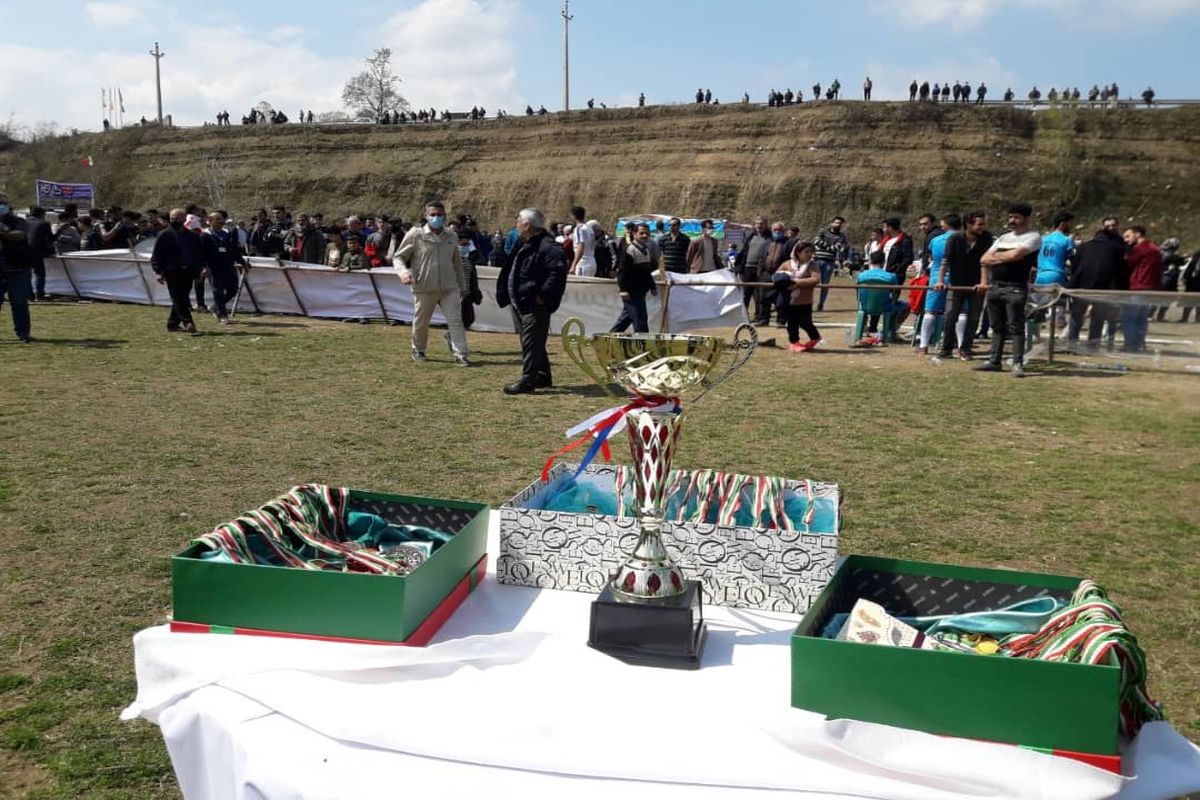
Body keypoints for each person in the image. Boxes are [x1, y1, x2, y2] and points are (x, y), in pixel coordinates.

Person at [496, 207, 567, 394]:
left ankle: (528, 380)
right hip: (520, 301)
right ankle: (542, 375)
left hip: (534, 303)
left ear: (527, 225)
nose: (516, 224)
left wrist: (542, 296)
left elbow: (557, 274)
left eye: (518, 220)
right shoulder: (524, 242)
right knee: (533, 340)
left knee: (531, 342)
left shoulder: (548, 246)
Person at [394, 201, 470, 366]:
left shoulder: (451, 236)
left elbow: (457, 264)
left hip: (449, 287)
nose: (436, 218)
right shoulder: (416, 234)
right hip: (424, 287)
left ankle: (461, 353)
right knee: (421, 321)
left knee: (456, 320)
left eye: (439, 215)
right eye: (433, 214)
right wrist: (403, 273)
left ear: (445, 216)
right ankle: (418, 349)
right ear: (426, 216)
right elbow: (399, 257)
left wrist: (463, 287)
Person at [976, 203, 1041, 377]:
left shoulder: (1033, 237)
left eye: (1016, 217)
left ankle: (1017, 363)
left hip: (1015, 288)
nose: (1012, 220)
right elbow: (984, 259)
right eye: (1010, 217)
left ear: (1026, 219)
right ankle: (994, 360)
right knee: (996, 326)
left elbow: (1016, 255)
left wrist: (998, 257)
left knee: (1016, 327)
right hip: (995, 286)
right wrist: (1006, 258)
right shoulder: (1003, 238)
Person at [934, 211, 993, 361]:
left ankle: (965, 349)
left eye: (983, 224)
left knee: (973, 318)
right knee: (950, 316)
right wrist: (940, 281)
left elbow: (985, 262)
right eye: (979, 224)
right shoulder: (955, 238)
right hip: (956, 284)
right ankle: (946, 349)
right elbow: (946, 261)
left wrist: (983, 282)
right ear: (968, 224)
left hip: (977, 285)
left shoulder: (986, 238)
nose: (982, 227)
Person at [1067, 227, 1124, 349]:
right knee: (1098, 317)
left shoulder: (1082, 247)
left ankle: (1072, 343)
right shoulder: (1115, 248)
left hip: (1081, 287)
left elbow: (1074, 268)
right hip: (1103, 288)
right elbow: (1119, 271)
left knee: (1077, 316)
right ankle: (1093, 344)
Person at [150, 208, 203, 334]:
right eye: (172, 219)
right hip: (172, 271)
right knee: (178, 297)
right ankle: (188, 322)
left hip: (188, 271)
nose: (174, 221)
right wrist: (158, 272)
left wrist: (198, 270)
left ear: (184, 219)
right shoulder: (164, 235)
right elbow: (157, 255)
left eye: (177, 219)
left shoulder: (193, 236)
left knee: (181, 297)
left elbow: (198, 255)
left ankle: (172, 323)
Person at [773, 241, 822, 352]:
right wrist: (784, 280)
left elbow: (815, 279)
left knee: (806, 322)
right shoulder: (787, 264)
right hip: (789, 299)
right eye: (806, 252)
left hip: (805, 300)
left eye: (811, 252)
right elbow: (776, 275)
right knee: (791, 323)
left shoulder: (812, 265)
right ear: (798, 253)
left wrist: (796, 283)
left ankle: (815, 337)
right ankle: (794, 343)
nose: (809, 254)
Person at [199, 212, 247, 323]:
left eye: (221, 219)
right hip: (214, 267)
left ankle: (215, 307)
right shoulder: (205, 235)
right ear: (210, 221)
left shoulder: (227, 233)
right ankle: (222, 314)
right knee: (218, 291)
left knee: (233, 289)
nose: (221, 222)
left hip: (228, 266)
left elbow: (234, 249)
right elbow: (201, 253)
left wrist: (242, 262)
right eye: (218, 219)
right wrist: (204, 267)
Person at [1120, 226, 1162, 352]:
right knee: (1141, 317)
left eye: (1128, 236)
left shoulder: (1140, 249)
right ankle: (1140, 342)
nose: (1126, 240)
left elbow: (1127, 263)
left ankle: (1130, 344)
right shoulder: (1155, 248)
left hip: (1138, 286)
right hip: (1150, 287)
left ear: (1137, 234)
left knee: (1129, 317)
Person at [610, 222, 656, 334]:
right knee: (640, 320)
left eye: (647, 233)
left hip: (641, 290)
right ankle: (643, 343)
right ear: (634, 234)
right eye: (642, 233)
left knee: (626, 319)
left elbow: (647, 272)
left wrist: (652, 286)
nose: (645, 236)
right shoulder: (629, 250)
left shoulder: (646, 250)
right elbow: (622, 271)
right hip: (631, 291)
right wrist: (623, 289)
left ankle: (609, 338)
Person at [918, 215, 954, 355]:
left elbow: (930, 257)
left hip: (935, 276)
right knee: (960, 312)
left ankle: (923, 346)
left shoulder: (935, 239)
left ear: (945, 225)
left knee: (930, 311)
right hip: (957, 278)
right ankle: (959, 347)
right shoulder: (964, 239)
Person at [0, 192, 33, 342]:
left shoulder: (18, 221)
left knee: (19, 302)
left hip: (18, 268)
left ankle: (23, 333)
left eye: (3, 203)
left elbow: (19, 235)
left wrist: (3, 230)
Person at [735, 217, 772, 324]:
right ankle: (743, 316)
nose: (759, 226)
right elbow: (744, 251)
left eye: (761, 223)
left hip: (761, 269)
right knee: (745, 294)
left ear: (766, 224)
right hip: (747, 268)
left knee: (760, 295)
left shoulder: (770, 238)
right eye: (757, 223)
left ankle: (759, 317)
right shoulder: (751, 236)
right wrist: (739, 266)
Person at [813, 216, 849, 311]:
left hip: (829, 262)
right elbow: (816, 241)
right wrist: (828, 247)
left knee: (825, 284)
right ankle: (808, 302)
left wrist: (824, 246)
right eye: (836, 222)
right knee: (811, 282)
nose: (838, 225)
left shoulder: (841, 236)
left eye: (840, 223)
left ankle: (821, 303)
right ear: (832, 223)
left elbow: (837, 247)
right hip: (817, 260)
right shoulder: (822, 231)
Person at [26, 207, 54, 301]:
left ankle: (29, 295)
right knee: (39, 273)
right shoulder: (44, 223)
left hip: (24, 249)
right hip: (37, 250)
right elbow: (51, 238)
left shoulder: (25, 222)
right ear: (42, 214)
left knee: (27, 273)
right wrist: (60, 230)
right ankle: (39, 295)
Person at [569, 205, 597, 277]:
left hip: (583, 262)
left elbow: (581, 246)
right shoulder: (589, 228)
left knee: (580, 284)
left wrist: (573, 265)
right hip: (592, 261)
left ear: (573, 216)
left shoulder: (579, 228)